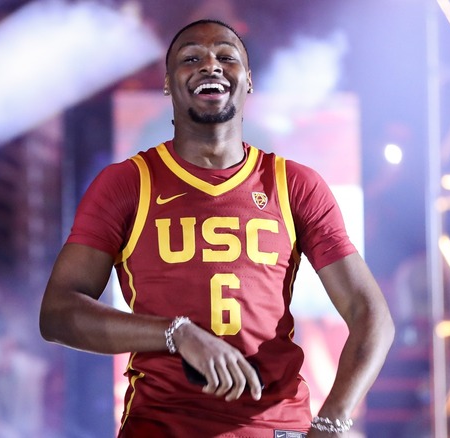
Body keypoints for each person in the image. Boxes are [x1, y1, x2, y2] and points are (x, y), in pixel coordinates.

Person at [39, 19, 395, 437]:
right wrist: (176, 333)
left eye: (227, 56)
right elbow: (57, 313)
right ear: (169, 85)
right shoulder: (127, 184)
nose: (211, 64)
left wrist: (333, 420)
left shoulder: (294, 183)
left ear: (248, 82)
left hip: (275, 427)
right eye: (191, 58)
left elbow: (370, 314)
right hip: (162, 427)